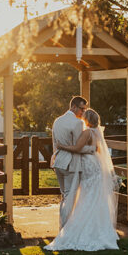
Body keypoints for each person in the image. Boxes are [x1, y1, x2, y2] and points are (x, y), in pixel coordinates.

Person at [45, 108, 119, 251]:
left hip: (88, 164)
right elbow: (95, 149)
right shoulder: (97, 132)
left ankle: (76, 230)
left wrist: (61, 146)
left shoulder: (87, 132)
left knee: (85, 196)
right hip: (95, 163)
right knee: (96, 196)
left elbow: (77, 148)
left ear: (86, 119)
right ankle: (100, 229)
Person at [50, 96, 93, 228]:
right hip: (71, 164)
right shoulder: (77, 123)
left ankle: (62, 227)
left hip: (58, 163)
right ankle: (66, 229)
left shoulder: (57, 121)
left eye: (84, 109)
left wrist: (54, 158)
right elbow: (77, 147)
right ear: (73, 107)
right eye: (81, 108)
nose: (83, 112)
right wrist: (92, 149)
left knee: (64, 196)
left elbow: (55, 144)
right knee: (69, 197)